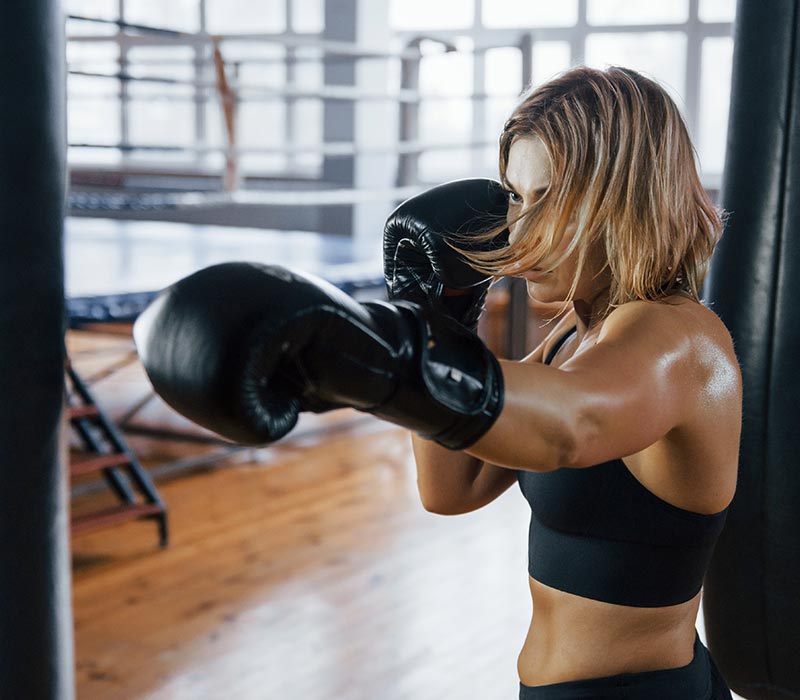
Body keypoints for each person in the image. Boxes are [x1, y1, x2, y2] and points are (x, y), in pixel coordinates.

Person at [133, 65, 740, 700]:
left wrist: (377, 355)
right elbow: (452, 488)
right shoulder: (578, 333)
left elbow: (572, 425)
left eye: (552, 199)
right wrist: (433, 317)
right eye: (515, 197)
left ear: (627, 197)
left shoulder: (680, 340)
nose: (521, 232)